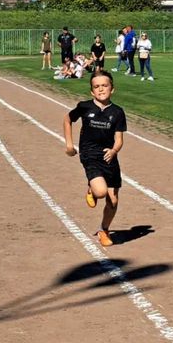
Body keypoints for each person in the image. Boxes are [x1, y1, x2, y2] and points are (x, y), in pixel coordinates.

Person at [64, 70, 127, 248]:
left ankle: (104, 230)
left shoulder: (117, 112)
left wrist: (114, 150)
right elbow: (67, 120)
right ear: (92, 91)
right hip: (89, 154)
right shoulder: (84, 107)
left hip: (109, 157)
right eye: (96, 87)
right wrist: (69, 145)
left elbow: (119, 139)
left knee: (113, 200)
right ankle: (93, 189)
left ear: (112, 89)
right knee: (100, 192)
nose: (101, 89)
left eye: (104, 86)